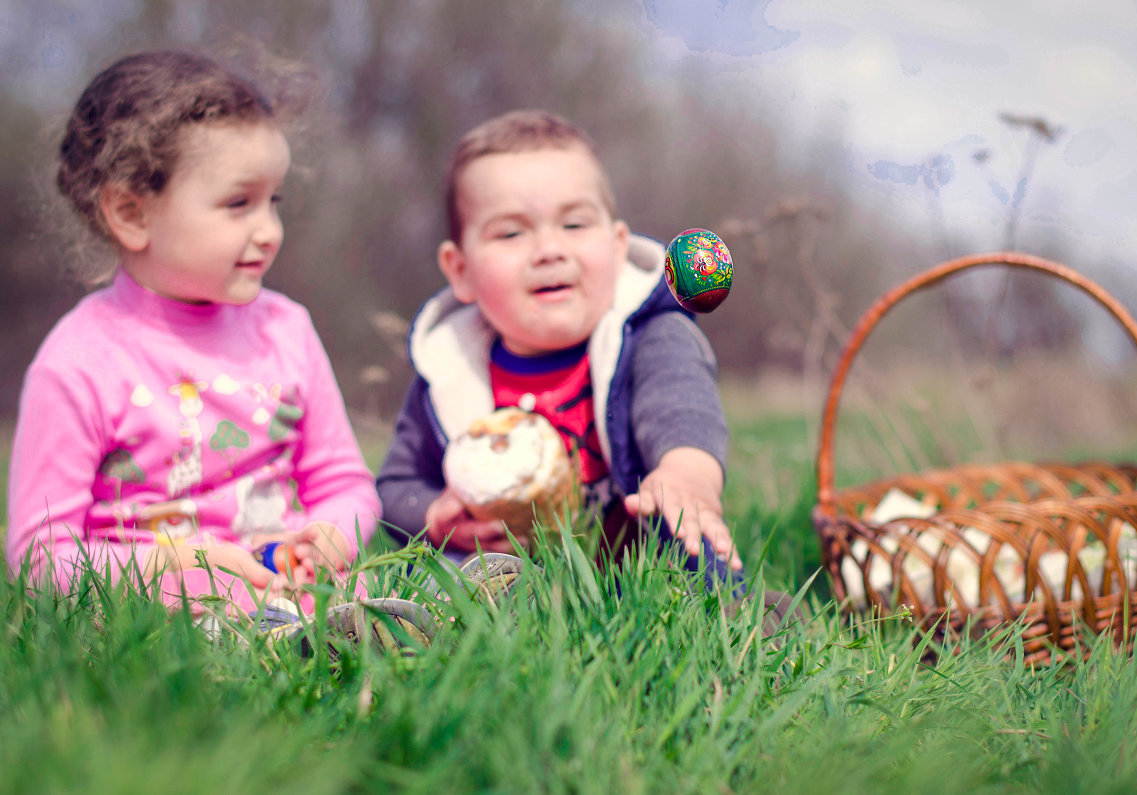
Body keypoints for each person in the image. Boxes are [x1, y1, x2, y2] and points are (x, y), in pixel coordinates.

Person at [5, 50, 384, 622]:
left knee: (394, 596)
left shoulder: (288, 330)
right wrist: (178, 562)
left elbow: (345, 481)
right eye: (239, 204)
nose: (270, 231)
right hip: (168, 619)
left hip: (298, 590)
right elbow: (39, 564)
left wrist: (333, 532)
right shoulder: (77, 363)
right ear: (131, 213)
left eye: (272, 202)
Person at [376, 110, 744, 591]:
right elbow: (393, 488)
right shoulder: (451, 372)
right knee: (435, 574)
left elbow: (682, 408)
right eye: (511, 233)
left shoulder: (650, 336)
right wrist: (435, 515)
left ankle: (747, 620)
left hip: (637, 560)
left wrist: (685, 475)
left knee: (693, 550)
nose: (549, 249)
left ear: (617, 247)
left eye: (574, 224)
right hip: (507, 570)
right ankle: (406, 632)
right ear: (460, 268)